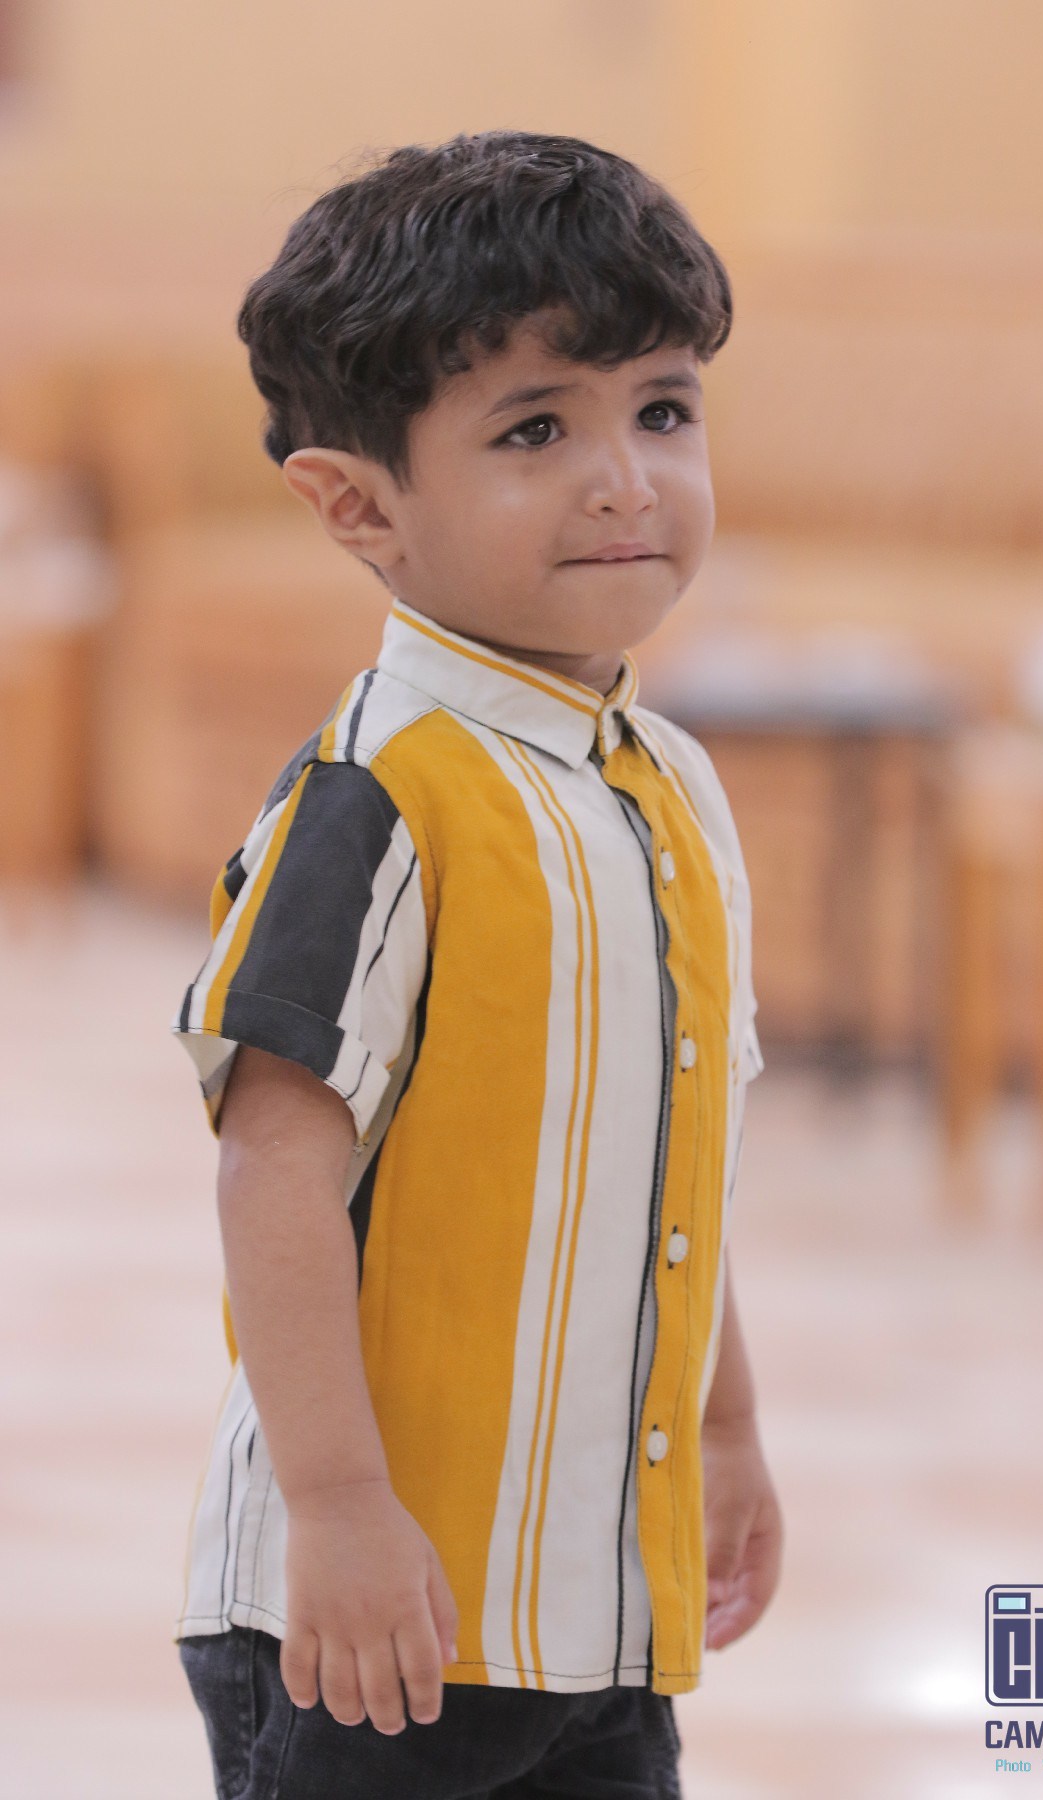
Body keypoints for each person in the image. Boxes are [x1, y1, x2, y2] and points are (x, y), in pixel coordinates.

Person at [172, 128, 784, 1800]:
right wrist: (339, 1509)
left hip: (594, 1615)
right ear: (359, 505)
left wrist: (726, 1430)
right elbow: (272, 1176)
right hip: (376, 1625)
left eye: (664, 411)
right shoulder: (380, 798)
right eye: (536, 430)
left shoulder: (673, 789)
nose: (627, 481)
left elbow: (676, 1165)